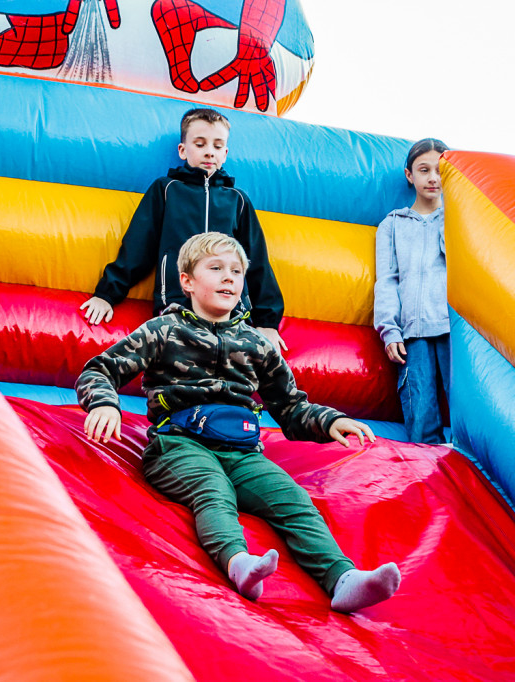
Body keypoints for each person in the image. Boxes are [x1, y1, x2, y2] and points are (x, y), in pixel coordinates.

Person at [76, 232, 402, 612]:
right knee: (212, 488)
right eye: (215, 269)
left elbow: (290, 406)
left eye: (235, 271)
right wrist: (104, 404)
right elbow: (99, 369)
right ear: (187, 282)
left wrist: (330, 421)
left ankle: (343, 579)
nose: (228, 277)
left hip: (243, 450)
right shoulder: (163, 331)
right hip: (177, 444)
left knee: (292, 498)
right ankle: (238, 562)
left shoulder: (257, 343)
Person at [80, 107, 287, 352]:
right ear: (183, 150)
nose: (210, 151)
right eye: (200, 144)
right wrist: (107, 294)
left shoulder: (237, 200)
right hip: (177, 308)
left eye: (218, 146)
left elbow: (256, 260)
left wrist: (267, 322)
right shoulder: (167, 190)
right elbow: (138, 246)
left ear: (225, 153)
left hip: (229, 313)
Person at [373, 138, 451, 444]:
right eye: (424, 170)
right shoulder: (392, 225)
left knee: (465, 417)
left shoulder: (458, 221)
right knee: (420, 418)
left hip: (452, 332)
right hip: (413, 335)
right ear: (410, 175)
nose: (433, 177)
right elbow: (387, 280)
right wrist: (389, 330)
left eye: (440, 170)